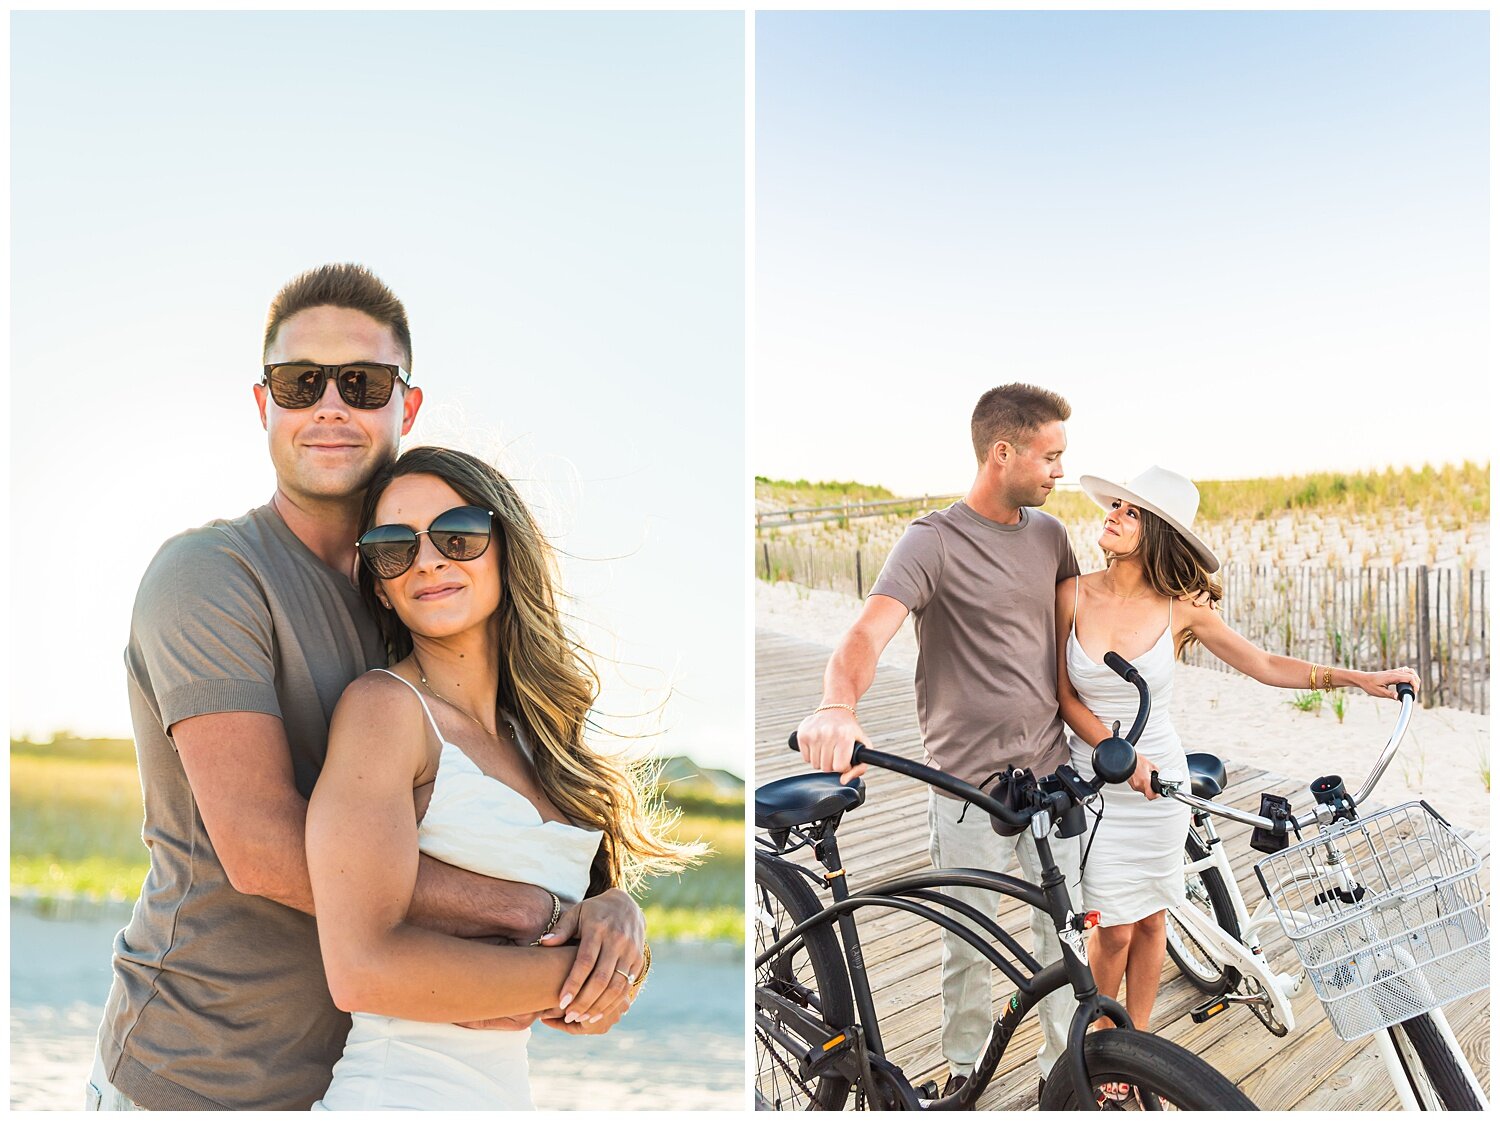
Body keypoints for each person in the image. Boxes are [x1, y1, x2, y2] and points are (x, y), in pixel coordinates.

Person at [88, 264, 645, 1111]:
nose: (331, 405)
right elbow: (267, 845)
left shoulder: (416, 607)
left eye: (363, 381)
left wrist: (609, 908)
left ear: (405, 406)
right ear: (263, 403)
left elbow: (492, 805)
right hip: (197, 1070)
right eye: (300, 382)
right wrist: (539, 916)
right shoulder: (209, 577)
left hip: (364, 1073)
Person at [307, 446, 698, 1109]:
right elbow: (363, 968)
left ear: (504, 546)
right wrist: (564, 974)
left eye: (457, 535)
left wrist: (619, 918)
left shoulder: (543, 736)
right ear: (378, 582)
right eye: (393, 547)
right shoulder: (385, 711)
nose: (427, 560)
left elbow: (592, 968)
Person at [1055, 464, 1419, 1103]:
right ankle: (1099, 1051)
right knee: (1109, 927)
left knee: (1150, 920)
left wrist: (1360, 679)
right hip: (1100, 782)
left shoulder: (1181, 610)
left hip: (1160, 783)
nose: (1111, 514)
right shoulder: (1072, 593)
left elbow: (1265, 665)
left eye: (1130, 510)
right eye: (1112, 505)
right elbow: (1060, 692)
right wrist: (1112, 750)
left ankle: (1135, 1062)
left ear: (1158, 531)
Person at [795, 383, 1082, 1101]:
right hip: (965, 786)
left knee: (1064, 937)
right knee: (969, 942)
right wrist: (837, 703)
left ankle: (1065, 1071)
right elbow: (867, 631)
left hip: (1051, 774)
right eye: (1050, 456)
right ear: (1002, 451)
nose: (1059, 472)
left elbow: (1086, 624)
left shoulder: (1051, 537)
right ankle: (964, 1068)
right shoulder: (933, 539)